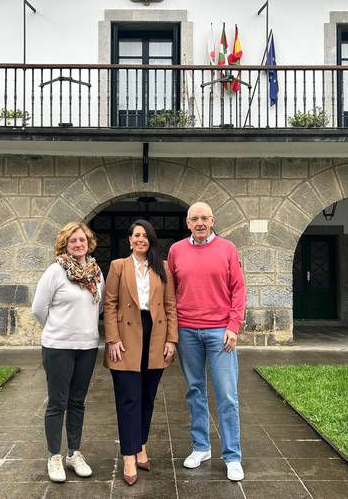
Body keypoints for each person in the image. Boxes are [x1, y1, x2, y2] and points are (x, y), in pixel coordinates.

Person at [166, 201, 247, 482]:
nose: (199, 223)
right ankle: (201, 447)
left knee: (226, 395)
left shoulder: (227, 249)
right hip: (188, 331)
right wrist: (173, 331)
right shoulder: (176, 250)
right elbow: (171, 293)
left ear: (212, 221)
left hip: (219, 332)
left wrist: (233, 326)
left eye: (204, 218)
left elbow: (238, 290)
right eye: (194, 218)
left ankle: (232, 455)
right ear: (187, 222)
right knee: (195, 392)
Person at [103, 219, 178, 486]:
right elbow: (109, 304)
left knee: (147, 396)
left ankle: (141, 445)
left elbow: (170, 306)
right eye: (136, 235)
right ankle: (128, 455)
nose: (140, 240)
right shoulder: (118, 266)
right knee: (128, 398)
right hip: (125, 337)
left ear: (151, 240)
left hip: (156, 335)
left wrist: (172, 339)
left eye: (145, 236)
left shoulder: (163, 267)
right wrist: (112, 339)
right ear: (129, 239)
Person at [31, 221, 104, 483]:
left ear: (89, 243)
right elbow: (39, 308)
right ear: (65, 244)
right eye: (73, 240)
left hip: (87, 346)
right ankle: (54, 456)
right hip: (58, 346)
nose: (78, 244)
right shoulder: (55, 271)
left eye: (82, 240)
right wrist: (57, 329)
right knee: (57, 402)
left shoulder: (96, 273)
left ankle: (74, 453)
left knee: (77, 402)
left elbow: (99, 307)